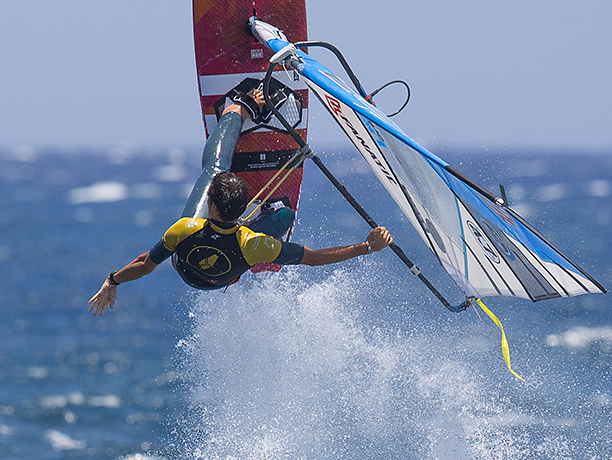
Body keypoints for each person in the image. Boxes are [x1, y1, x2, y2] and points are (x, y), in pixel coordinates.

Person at [88, 95, 391, 315]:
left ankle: (237, 110)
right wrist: (366, 247)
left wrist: (112, 280)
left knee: (215, 170)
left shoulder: (185, 229)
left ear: (211, 205)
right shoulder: (254, 245)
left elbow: (145, 264)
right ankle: (261, 205)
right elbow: (311, 258)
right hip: (225, 276)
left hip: (190, 272)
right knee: (285, 215)